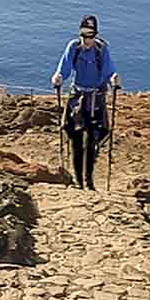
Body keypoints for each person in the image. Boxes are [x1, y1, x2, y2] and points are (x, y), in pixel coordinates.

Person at [51, 15, 120, 189]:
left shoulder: (101, 50)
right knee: (75, 140)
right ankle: (78, 181)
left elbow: (109, 70)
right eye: (84, 35)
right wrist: (58, 77)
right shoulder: (73, 47)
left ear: (96, 35)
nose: (87, 40)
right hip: (78, 97)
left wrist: (114, 79)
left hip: (96, 98)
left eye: (91, 36)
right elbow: (64, 68)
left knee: (91, 142)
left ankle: (89, 181)